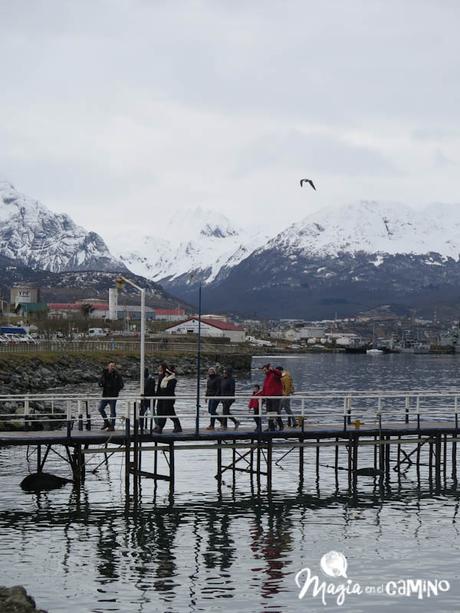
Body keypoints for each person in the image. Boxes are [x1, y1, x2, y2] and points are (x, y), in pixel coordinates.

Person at [154, 363, 182, 434]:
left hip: (168, 399)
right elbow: (159, 388)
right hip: (162, 398)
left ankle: (161, 427)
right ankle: (160, 426)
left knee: (166, 412)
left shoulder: (172, 380)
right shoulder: (164, 378)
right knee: (164, 412)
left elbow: (168, 389)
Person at [98, 362, 124, 431]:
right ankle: (106, 422)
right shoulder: (104, 373)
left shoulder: (117, 375)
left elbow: (121, 385)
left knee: (112, 411)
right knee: (100, 408)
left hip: (113, 396)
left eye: (113, 366)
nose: (112, 367)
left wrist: (116, 390)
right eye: (110, 366)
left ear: (115, 367)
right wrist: (101, 383)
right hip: (105, 395)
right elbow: (100, 382)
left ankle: (112, 426)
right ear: (108, 366)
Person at [260, 363, 284, 431]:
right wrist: (263, 398)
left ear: (268, 369)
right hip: (268, 397)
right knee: (269, 412)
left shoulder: (274, 374)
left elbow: (280, 374)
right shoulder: (266, 377)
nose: (264, 372)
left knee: (275, 411)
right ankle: (271, 427)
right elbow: (265, 388)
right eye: (263, 370)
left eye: (265, 370)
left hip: (275, 396)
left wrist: (273, 369)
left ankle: (281, 425)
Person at [140, 367, 156, 432]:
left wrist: (145, 394)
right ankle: (141, 425)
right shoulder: (143, 379)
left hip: (150, 398)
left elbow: (151, 389)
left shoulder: (151, 379)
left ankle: (157, 425)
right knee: (142, 412)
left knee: (152, 411)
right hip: (144, 399)